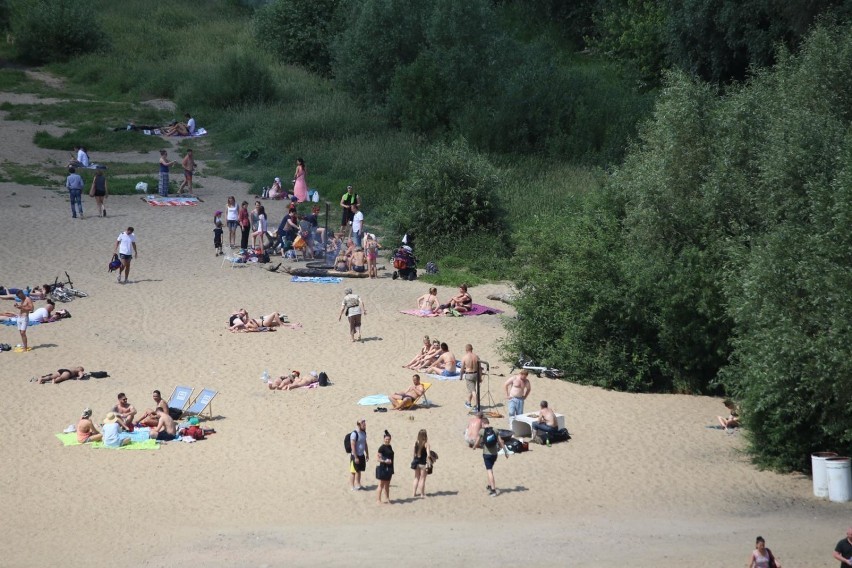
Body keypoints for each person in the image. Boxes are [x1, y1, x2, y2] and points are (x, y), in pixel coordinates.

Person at [473, 417, 508, 497]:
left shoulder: (482, 431)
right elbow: (501, 441)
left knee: (489, 471)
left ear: (482, 423)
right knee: (490, 468)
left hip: (487, 454)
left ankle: (493, 490)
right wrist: (505, 452)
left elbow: (477, 441)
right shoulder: (495, 430)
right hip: (495, 454)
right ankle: (489, 485)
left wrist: (474, 447)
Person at [412, 429, 433, 498]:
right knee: (422, 479)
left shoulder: (416, 442)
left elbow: (414, 453)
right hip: (423, 463)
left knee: (416, 478)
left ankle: (414, 493)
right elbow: (428, 455)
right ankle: (422, 494)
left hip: (416, 462)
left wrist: (414, 460)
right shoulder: (426, 444)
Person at [375, 430, 394, 504]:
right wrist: (385, 461)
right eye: (386, 439)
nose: (387, 440)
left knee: (387, 485)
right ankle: (378, 500)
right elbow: (378, 459)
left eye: (389, 439)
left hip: (390, 467)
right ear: (384, 439)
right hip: (383, 468)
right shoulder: (381, 448)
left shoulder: (390, 446)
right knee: (381, 484)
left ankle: (387, 498)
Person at [349, 419, 368, 491]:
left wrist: (367, 454)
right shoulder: (354, 434)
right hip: (355, 455)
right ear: (359, 425)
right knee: (353, 471)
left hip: (361, 455)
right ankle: (352, 486)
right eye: (363, 424)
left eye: (365, 424)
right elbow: (352, 445)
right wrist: (355, 457)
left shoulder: (364, 433)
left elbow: (365, 444)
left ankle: (358, 484)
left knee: (359, 470)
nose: (364, 425)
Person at [460, 344, 481, 409]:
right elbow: (480, 368)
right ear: (472, 349)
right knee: (471, 389)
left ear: (466, 350)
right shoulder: (476, 357)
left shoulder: (465, 357)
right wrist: (480, 377)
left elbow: (462, 368)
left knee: (473, 390)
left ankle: (477, 405)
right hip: (476, 374)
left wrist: (461, 376)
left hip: (469, 374)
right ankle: (468, 402)